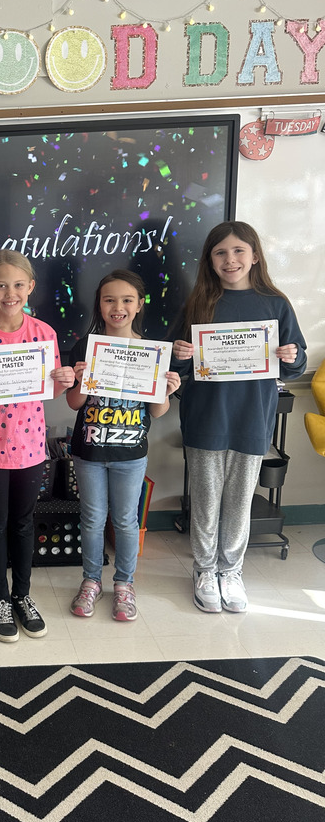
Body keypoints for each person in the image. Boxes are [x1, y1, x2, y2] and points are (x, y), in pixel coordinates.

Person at [171, 222, 306, 614]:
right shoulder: (198, 303)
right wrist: (179, 354)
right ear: (210, 260)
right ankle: (204, 570)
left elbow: (296, 363)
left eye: (238, 251)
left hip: (252, 418)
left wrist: (292, 356)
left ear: (255, 256)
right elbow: (174, 367)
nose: (230, 260)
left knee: (238, 502)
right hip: (206, 418)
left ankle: (231, 571)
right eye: (220, 252)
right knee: (206, 502)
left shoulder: (275, 304)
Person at [0, 250, 76, 642]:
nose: (10, 293)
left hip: (29, 446)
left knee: (23, 522)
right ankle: (0, 599)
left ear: (30, 287)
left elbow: (51, 390)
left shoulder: (44, 333)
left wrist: (65, 379)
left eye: (18, 285)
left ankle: (22, 595)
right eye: (1, 285)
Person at [65, 270, 180, 621]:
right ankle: (91, 581)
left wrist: (166, 390)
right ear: (99, 305)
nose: (118, 307)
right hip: (89, 451)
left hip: (130, 453)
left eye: (127, 300)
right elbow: (74, 403)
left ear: (139, 304)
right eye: (109, 300)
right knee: (92, 519)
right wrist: (80, 380)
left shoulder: (151, 351)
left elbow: (157, 411)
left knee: (127, 521)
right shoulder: (84, 347)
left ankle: (124, 584)